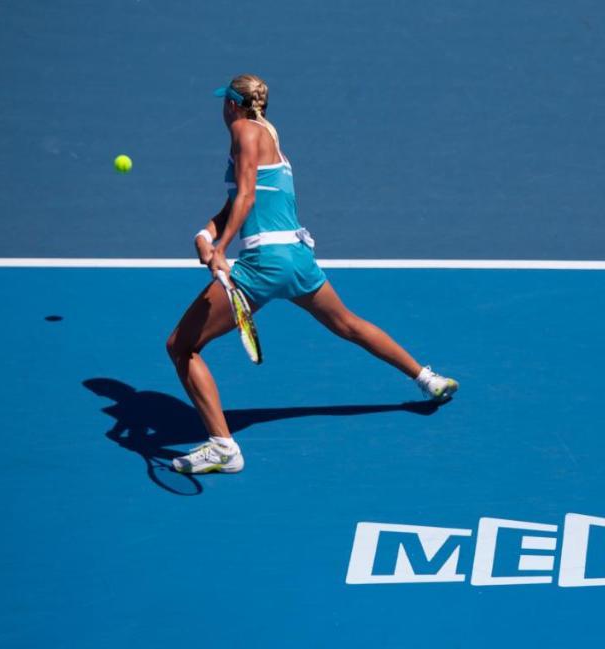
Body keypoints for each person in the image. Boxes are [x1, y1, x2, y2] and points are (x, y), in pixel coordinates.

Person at [165, 74, 457, 474]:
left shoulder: (243, 132)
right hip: (297, 259)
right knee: (348, 324)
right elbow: (237, 201)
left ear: (233, 105)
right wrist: (205, 234)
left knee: (181, 347)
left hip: (263, 265)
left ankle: (223, 447)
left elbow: (247, 198)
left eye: (223, 103)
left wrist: (221, 250)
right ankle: (427, 379)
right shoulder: (268, 138)